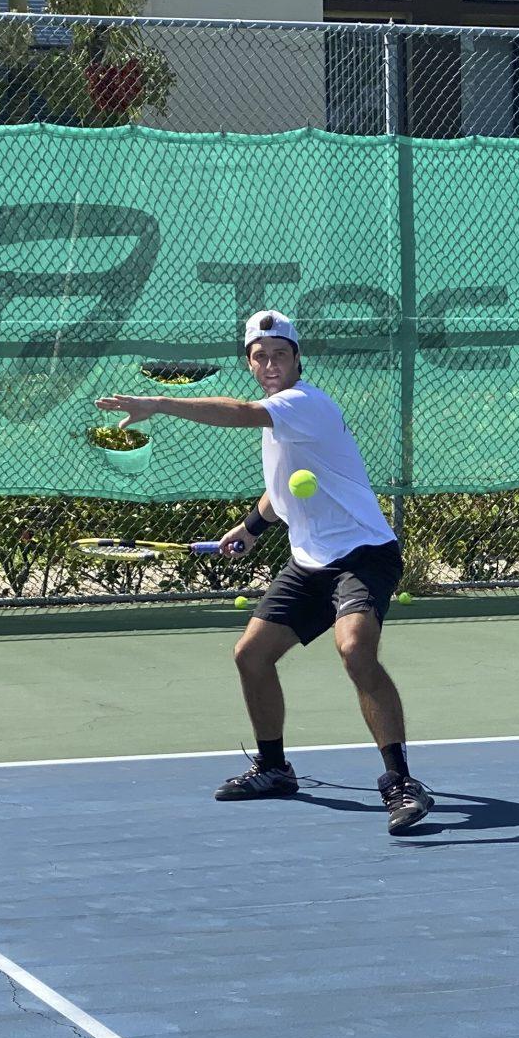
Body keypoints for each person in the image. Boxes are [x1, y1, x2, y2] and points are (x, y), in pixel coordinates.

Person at [95, 310, 433, 834]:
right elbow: (285, 483)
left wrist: (157, 403)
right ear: (249, 361)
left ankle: (401, 782)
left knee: (354, 649)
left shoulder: (304, 403)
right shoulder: (283, 417)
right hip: (310, 561)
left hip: (364, 553)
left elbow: (238, 413)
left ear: (298, 359)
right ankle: (274, 769)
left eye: (280, 354)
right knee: (251, 656)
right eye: (260, 356)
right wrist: (252, 526)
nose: (270, 364)